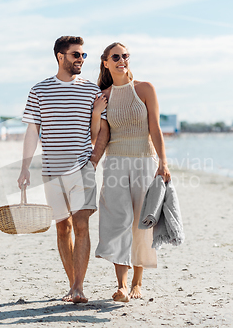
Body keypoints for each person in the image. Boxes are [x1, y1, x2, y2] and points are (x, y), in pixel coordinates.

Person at [17, 36, 109, 303]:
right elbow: (32, 131)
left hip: (81, 168)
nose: (81, 60)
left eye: (83, 55)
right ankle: (73, 285)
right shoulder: (39, 91)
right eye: (76, 55)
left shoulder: (92, 91)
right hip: (50, 171)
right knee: (62, 227)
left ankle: (79, 287)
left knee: (81, 225)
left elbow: (96, 134)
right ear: (61, 57)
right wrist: (25, 168)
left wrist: (92, 160)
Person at [94, 42, 171, 302]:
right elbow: (102, 136)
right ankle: (121, 285)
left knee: (141, 222)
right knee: (118, 221)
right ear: (105, 62)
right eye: (116, 56)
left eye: (125, 56)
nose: (121, 60)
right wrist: (92, 161)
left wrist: (163, 162)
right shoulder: (103, 95)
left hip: (144, 162)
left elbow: (155, 129)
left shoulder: (145, 89)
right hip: (115, 163)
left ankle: (138, 282)